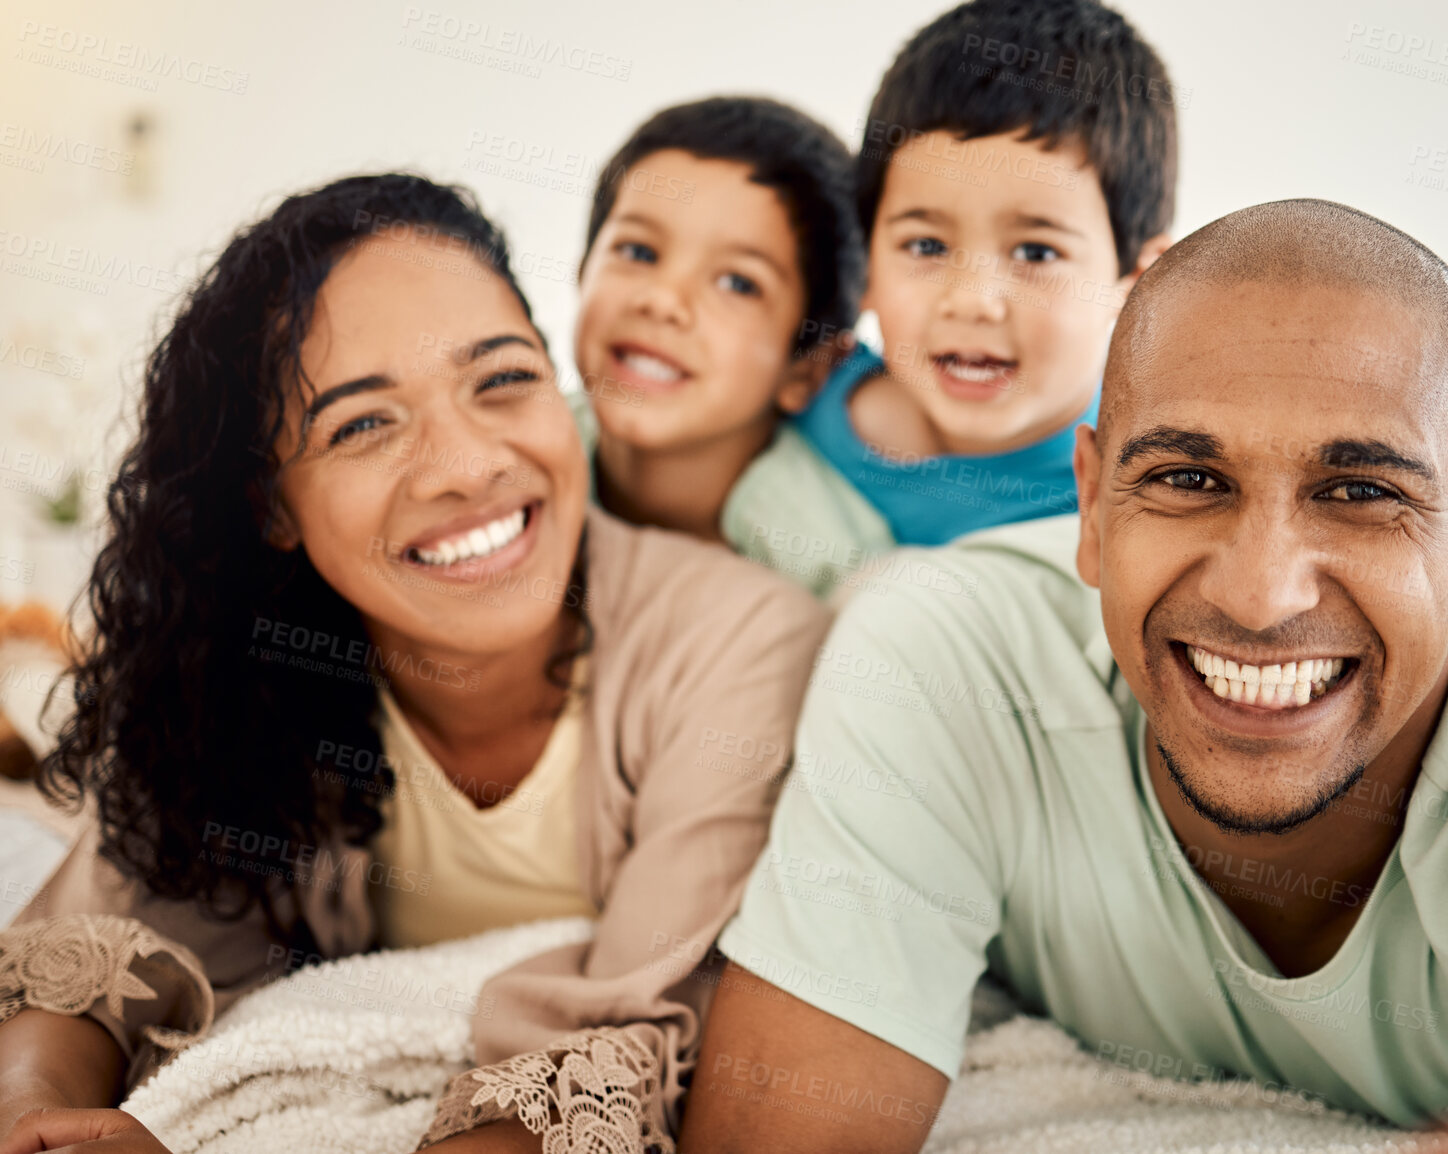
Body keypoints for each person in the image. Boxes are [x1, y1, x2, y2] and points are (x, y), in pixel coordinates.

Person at [678, 200, 1448, 1153]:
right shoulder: (943, 658)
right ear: (1090, 507)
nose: (1261, 595)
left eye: (1361, 490)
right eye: (1187, 478)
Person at [0, 174, 830, 1154]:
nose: (465, 465)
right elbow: (101, 937)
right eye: (361, 424)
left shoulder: (738, 637)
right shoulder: (254, 665)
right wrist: (38, 1111)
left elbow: (635, 1027)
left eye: (503, 379)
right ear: (271, 504)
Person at [725, 0, 1179, 594]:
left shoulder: (1139, 497)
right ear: (862, 265)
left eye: (1036, 254)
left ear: (1142, 286)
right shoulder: (791, 396)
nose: (973, 302)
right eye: (926, 246)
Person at [572, 97, 886, 597]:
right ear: (581, 269)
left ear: (809, 370)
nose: (663, 301)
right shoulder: (511, 460)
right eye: (638, 251)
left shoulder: (838, 572)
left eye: (739, 284)